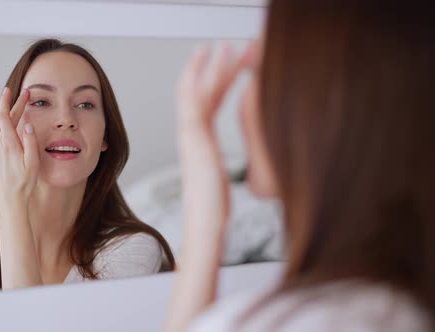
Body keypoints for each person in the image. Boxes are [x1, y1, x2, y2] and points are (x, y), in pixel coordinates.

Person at [166, 1, 434, 331]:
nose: (242, 102)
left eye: (255, 74)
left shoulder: (313, 320)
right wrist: (207, 221)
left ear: (316, 108)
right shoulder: (392, 304)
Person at [0, 39, 175, 299]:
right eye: (41, 102)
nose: (66, 120)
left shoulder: (131, 251)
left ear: (105, 135)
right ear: (9, 124)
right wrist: (9, 198)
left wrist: (11, 203)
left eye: (85, 104)